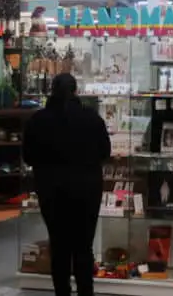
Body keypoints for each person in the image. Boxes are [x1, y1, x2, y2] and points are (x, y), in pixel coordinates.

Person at [23, 73, 111, 296]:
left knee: (59, 247)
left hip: (51, 192)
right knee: (83, 247)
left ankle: (62, 292)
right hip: (87, 191)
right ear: (75, 91)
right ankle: (85, 292)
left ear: (52, 90)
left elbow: (28, 156)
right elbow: (105, 152)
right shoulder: (92, 118)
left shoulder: (38, 120)